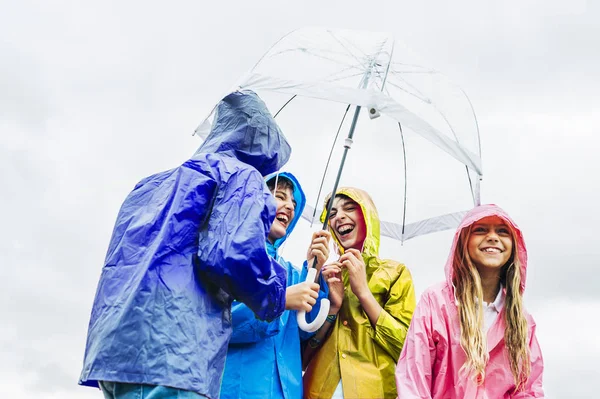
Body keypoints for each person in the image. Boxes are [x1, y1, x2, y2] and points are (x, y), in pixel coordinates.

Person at [79, 91, 292, 399]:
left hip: (116, 354)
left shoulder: (148, 185)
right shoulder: (241, 176)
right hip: (177, 352)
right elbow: (233, 254)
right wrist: (276, 294)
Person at [395, 204, 545, 398]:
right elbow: (413, 380)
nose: (492, 237)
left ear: (515, 247)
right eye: (480, 230)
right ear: (463, 241)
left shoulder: (521, 321)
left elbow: (528, 389)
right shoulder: (436, 302)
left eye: (502, 231)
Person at [220, 171, 331, 399]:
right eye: (280, 196)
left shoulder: (291, 272)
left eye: (293, 202)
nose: (289, 206)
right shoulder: (228, 255)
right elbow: (219, 324)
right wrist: (279, 301)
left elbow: (303, 333)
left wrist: (314, 270)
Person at [303, 187, 416, 399]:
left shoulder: (396, 273)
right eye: (333, 213)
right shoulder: (325, 275)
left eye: (349, 208)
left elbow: (407, 349)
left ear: (367, 216)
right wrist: (330, 305)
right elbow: (300, 355)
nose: (339, 217)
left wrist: (363, 293)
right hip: (318, 391)